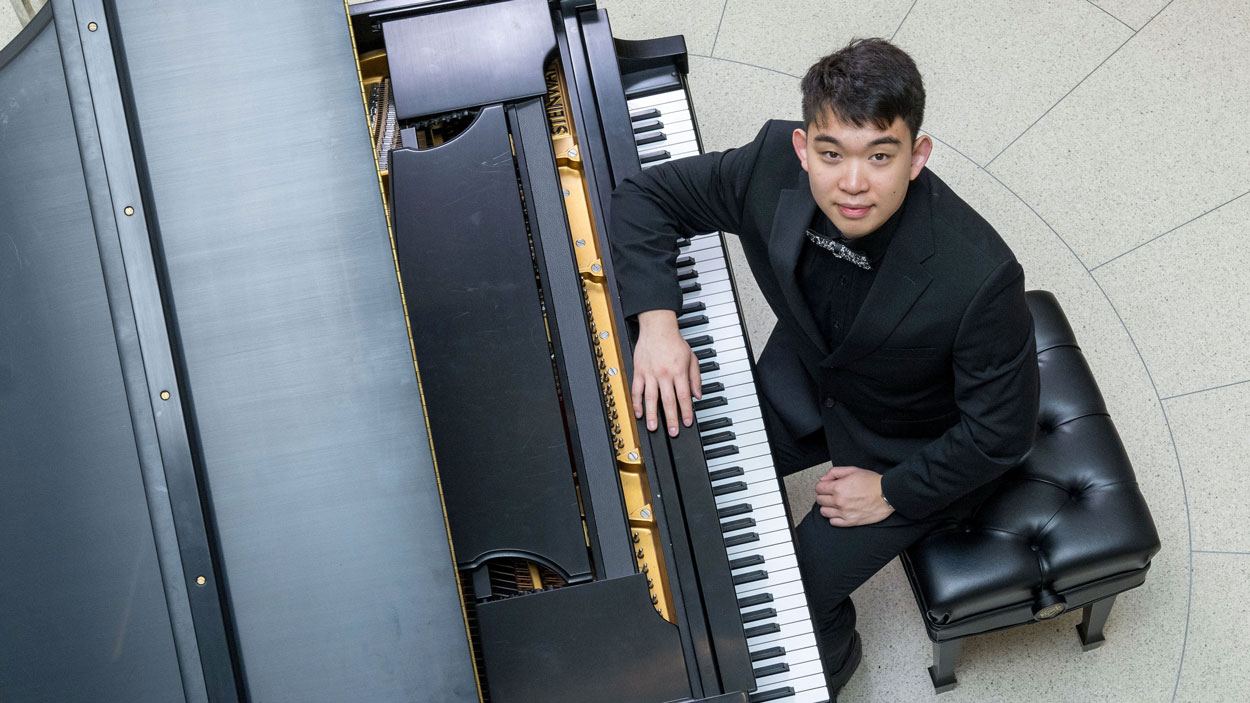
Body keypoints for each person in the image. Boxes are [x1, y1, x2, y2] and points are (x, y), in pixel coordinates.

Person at [608, 38, 1039, 699]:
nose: (854, 182)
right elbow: (647, 196)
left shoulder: (979, 278)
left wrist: (892, 488)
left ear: (916, 157)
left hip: (911, 443)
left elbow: (1000, 434)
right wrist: (659, 325)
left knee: (795, 588)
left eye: (880, 155)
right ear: (804, 148)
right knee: (673, 460)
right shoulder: (768, 169)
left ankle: (831, 664)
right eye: (832, 154)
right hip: (807, 382)